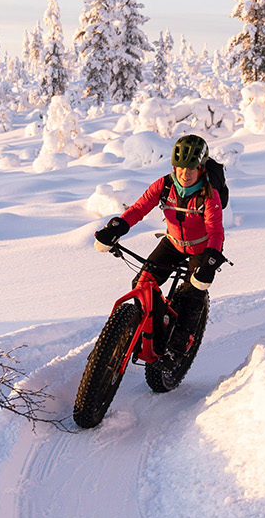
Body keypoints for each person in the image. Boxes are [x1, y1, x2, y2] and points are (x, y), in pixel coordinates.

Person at [93, 133, 225, 362]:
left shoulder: (209, 194)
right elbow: (138, 209)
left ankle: (182, 340)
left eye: (191, 168)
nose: (185, 174)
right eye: (180, 167)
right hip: (172, 243)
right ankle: (156, 329)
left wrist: (211, 260)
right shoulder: (164, 185)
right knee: (141, 284)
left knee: (192, 293)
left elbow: (215, 231)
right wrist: (117, 228)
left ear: (201, 168)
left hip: (200, 249)